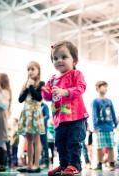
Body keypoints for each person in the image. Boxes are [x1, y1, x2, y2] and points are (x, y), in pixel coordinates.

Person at [42, 41, 88, 176]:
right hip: (59, 119)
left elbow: (81, 88)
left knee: (74, 142)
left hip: (76, 117)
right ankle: (64, 165)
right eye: (55, 58)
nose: (59, 60)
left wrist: (65, 92)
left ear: (75, 60)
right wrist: (44, 91)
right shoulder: (52, 79)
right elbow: (49, 96)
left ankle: (75, 165)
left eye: (64, 57)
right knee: (60, 143)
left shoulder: (76, 74)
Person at [17, 61, 45, 173]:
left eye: (32, 69)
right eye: (28, 69)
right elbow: (20, 99)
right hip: (27, 113)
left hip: (35, 113)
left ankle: (36, 165)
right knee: (28, 140)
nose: (30, 71)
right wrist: (27, 87)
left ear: (38, 71)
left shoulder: (41, 83)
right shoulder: (26, 84)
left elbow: (38, 98)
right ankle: (29, 165)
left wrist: (32, 87)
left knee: (37, 140)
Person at [92, 81, 117, 171]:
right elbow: (94, 114)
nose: (105, 88)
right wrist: (95, 126)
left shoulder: (109, 101)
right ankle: (99, 164)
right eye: (103, 87)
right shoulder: (95, 101)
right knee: (99, 146)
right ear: (98, 88)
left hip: (109, 127)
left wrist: (115, 124)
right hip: (100, 127)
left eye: (106, 87)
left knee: (110, 146)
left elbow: (113, 113)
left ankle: (111, 163)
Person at [40, 102, 50, 168]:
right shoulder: (36, 105)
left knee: (44, 145)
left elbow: (47, 116)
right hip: (36, 129)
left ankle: (46, 162)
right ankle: (39, 161)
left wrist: (40, 120)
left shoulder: (45, 106)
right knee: (38, 145)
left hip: (43, 129)